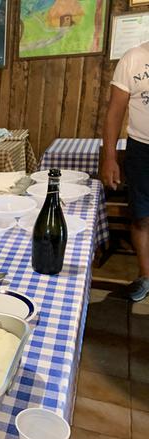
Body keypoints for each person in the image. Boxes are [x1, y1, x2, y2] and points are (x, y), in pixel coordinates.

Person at [101, 41, 149, 302]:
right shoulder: (133, 58)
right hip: (141, 150)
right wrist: (110, 158)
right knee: (142, 216)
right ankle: (145, 276)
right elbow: (114, 112)